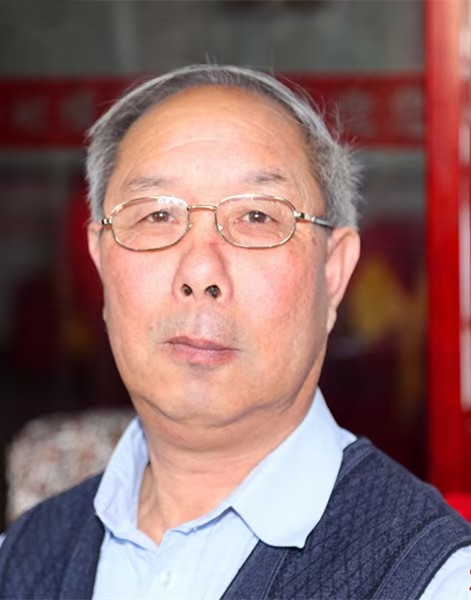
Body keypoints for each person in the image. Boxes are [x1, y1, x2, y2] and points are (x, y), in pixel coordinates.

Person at [0, 64, 470, 599]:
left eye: (257, 217)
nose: (201, 271)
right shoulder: (22, 559)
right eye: (156, 216)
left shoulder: (431, 578)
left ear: (333, 273)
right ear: (100, 261)